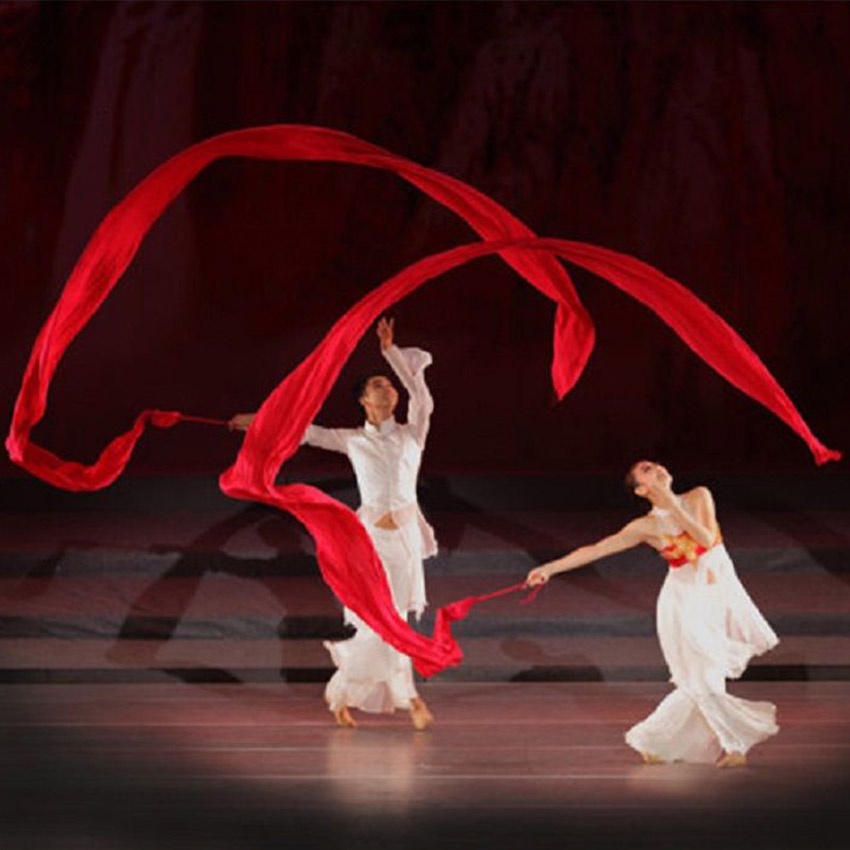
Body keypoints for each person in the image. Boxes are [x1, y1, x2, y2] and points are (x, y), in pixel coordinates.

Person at [230, 317, 436, 730]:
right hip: (368, 540)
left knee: (393, 619)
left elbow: (421, 395)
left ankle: (343, 693)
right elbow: (303, 432)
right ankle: (409, 699)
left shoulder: (413, 433)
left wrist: (390, 354)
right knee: (378, 620)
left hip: (406, 541)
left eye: (389, 384)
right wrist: (258, 422)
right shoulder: (352, 439)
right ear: (363, 400)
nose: (387, 389)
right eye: (377, 385)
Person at [526, 460, 779, 767]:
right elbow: (596, 549)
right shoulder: (645, 526)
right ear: (641, 490)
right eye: (646, 470)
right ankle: (734, 746)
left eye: (655, 464)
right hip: (683, 601)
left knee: (697, 679)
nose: (656, 467)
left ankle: (653, 740)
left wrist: (672, 503)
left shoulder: (699, 496)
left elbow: (706, 539)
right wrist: (549, 569)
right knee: (703, 675)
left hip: (718, 596)